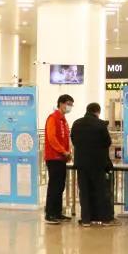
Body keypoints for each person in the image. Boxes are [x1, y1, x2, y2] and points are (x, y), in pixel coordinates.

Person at [71, 103, 117, 227]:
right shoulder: (101, 124)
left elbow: (73, 140)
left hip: (81, 163)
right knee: (100, 190)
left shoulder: (76, 123)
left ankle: (86, 219)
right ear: (97, 112)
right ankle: (105, 219)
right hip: (98, 163)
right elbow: (107, 142)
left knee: (84, 191)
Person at [44, 94, 73, 225]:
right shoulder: (53, 118)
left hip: (61, 157)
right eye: (68, 104)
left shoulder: (63, 120)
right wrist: (63, 151)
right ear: (61, 104)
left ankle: (57, 212)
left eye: (71, 104)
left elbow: (65, 138)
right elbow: (52, 138)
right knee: (54, 186)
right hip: (53, 157)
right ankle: (50, 214)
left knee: (60, 186)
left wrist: (68, 152)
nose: (69, 107)